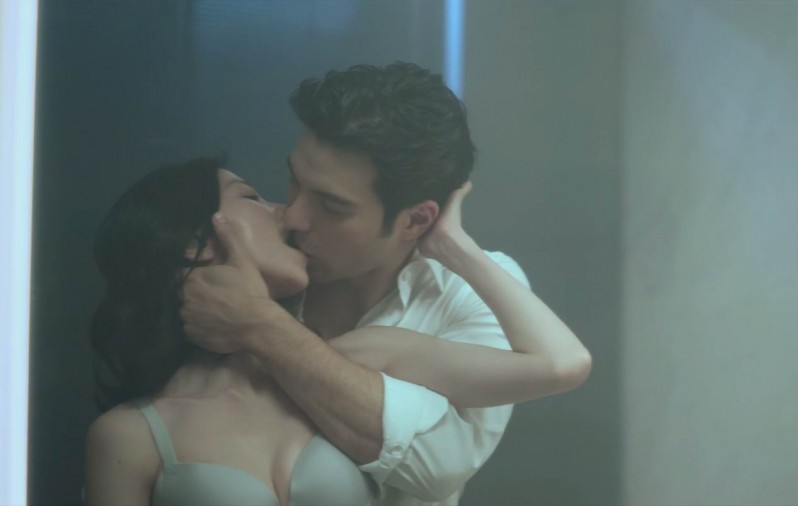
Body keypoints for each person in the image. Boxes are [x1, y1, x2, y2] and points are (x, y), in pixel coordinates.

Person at [84, 158, 591, 505]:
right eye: (253, 198)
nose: (288, 214)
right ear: (193, 244)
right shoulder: (129, 434)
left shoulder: (354, 356)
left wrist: (450, 243)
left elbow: (559, 364)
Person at [176, 62, 554, 505]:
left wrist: (261, 326)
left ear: (415, 221)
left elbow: (440, 465)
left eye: (332, 207)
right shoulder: (263, 262)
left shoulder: (470, 290)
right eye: (295, 180)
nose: (293, 216)